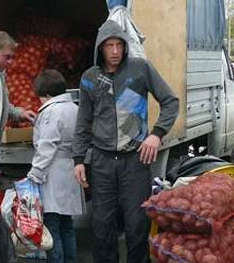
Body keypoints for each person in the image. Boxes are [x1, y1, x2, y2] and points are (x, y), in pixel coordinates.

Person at [72, 20, 179, 263]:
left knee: (136, 224)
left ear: (125, 46)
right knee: (101, 225)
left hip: (135, 160)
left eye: (119, 44)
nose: (115, 51)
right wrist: (78, 159)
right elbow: (83, 121)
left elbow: (170, 101)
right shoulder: (90, 78)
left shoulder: (140, 69)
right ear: (100, 48)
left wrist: (156, 134)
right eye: (109, 45)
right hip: (102, 161)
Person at [27, 69, 85, 263]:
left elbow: (47, 146)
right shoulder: (75, 108)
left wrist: (34, 174)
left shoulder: (51, 111)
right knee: (67, 225)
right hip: (71, 168)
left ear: (47, 95)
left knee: (52, 228)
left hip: (53, 173)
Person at [0, 31, 36, 141]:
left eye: (12, 57)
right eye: (7, 57)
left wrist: (20, 113)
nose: (10, 62)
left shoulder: (0, 72)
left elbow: (1, 105)